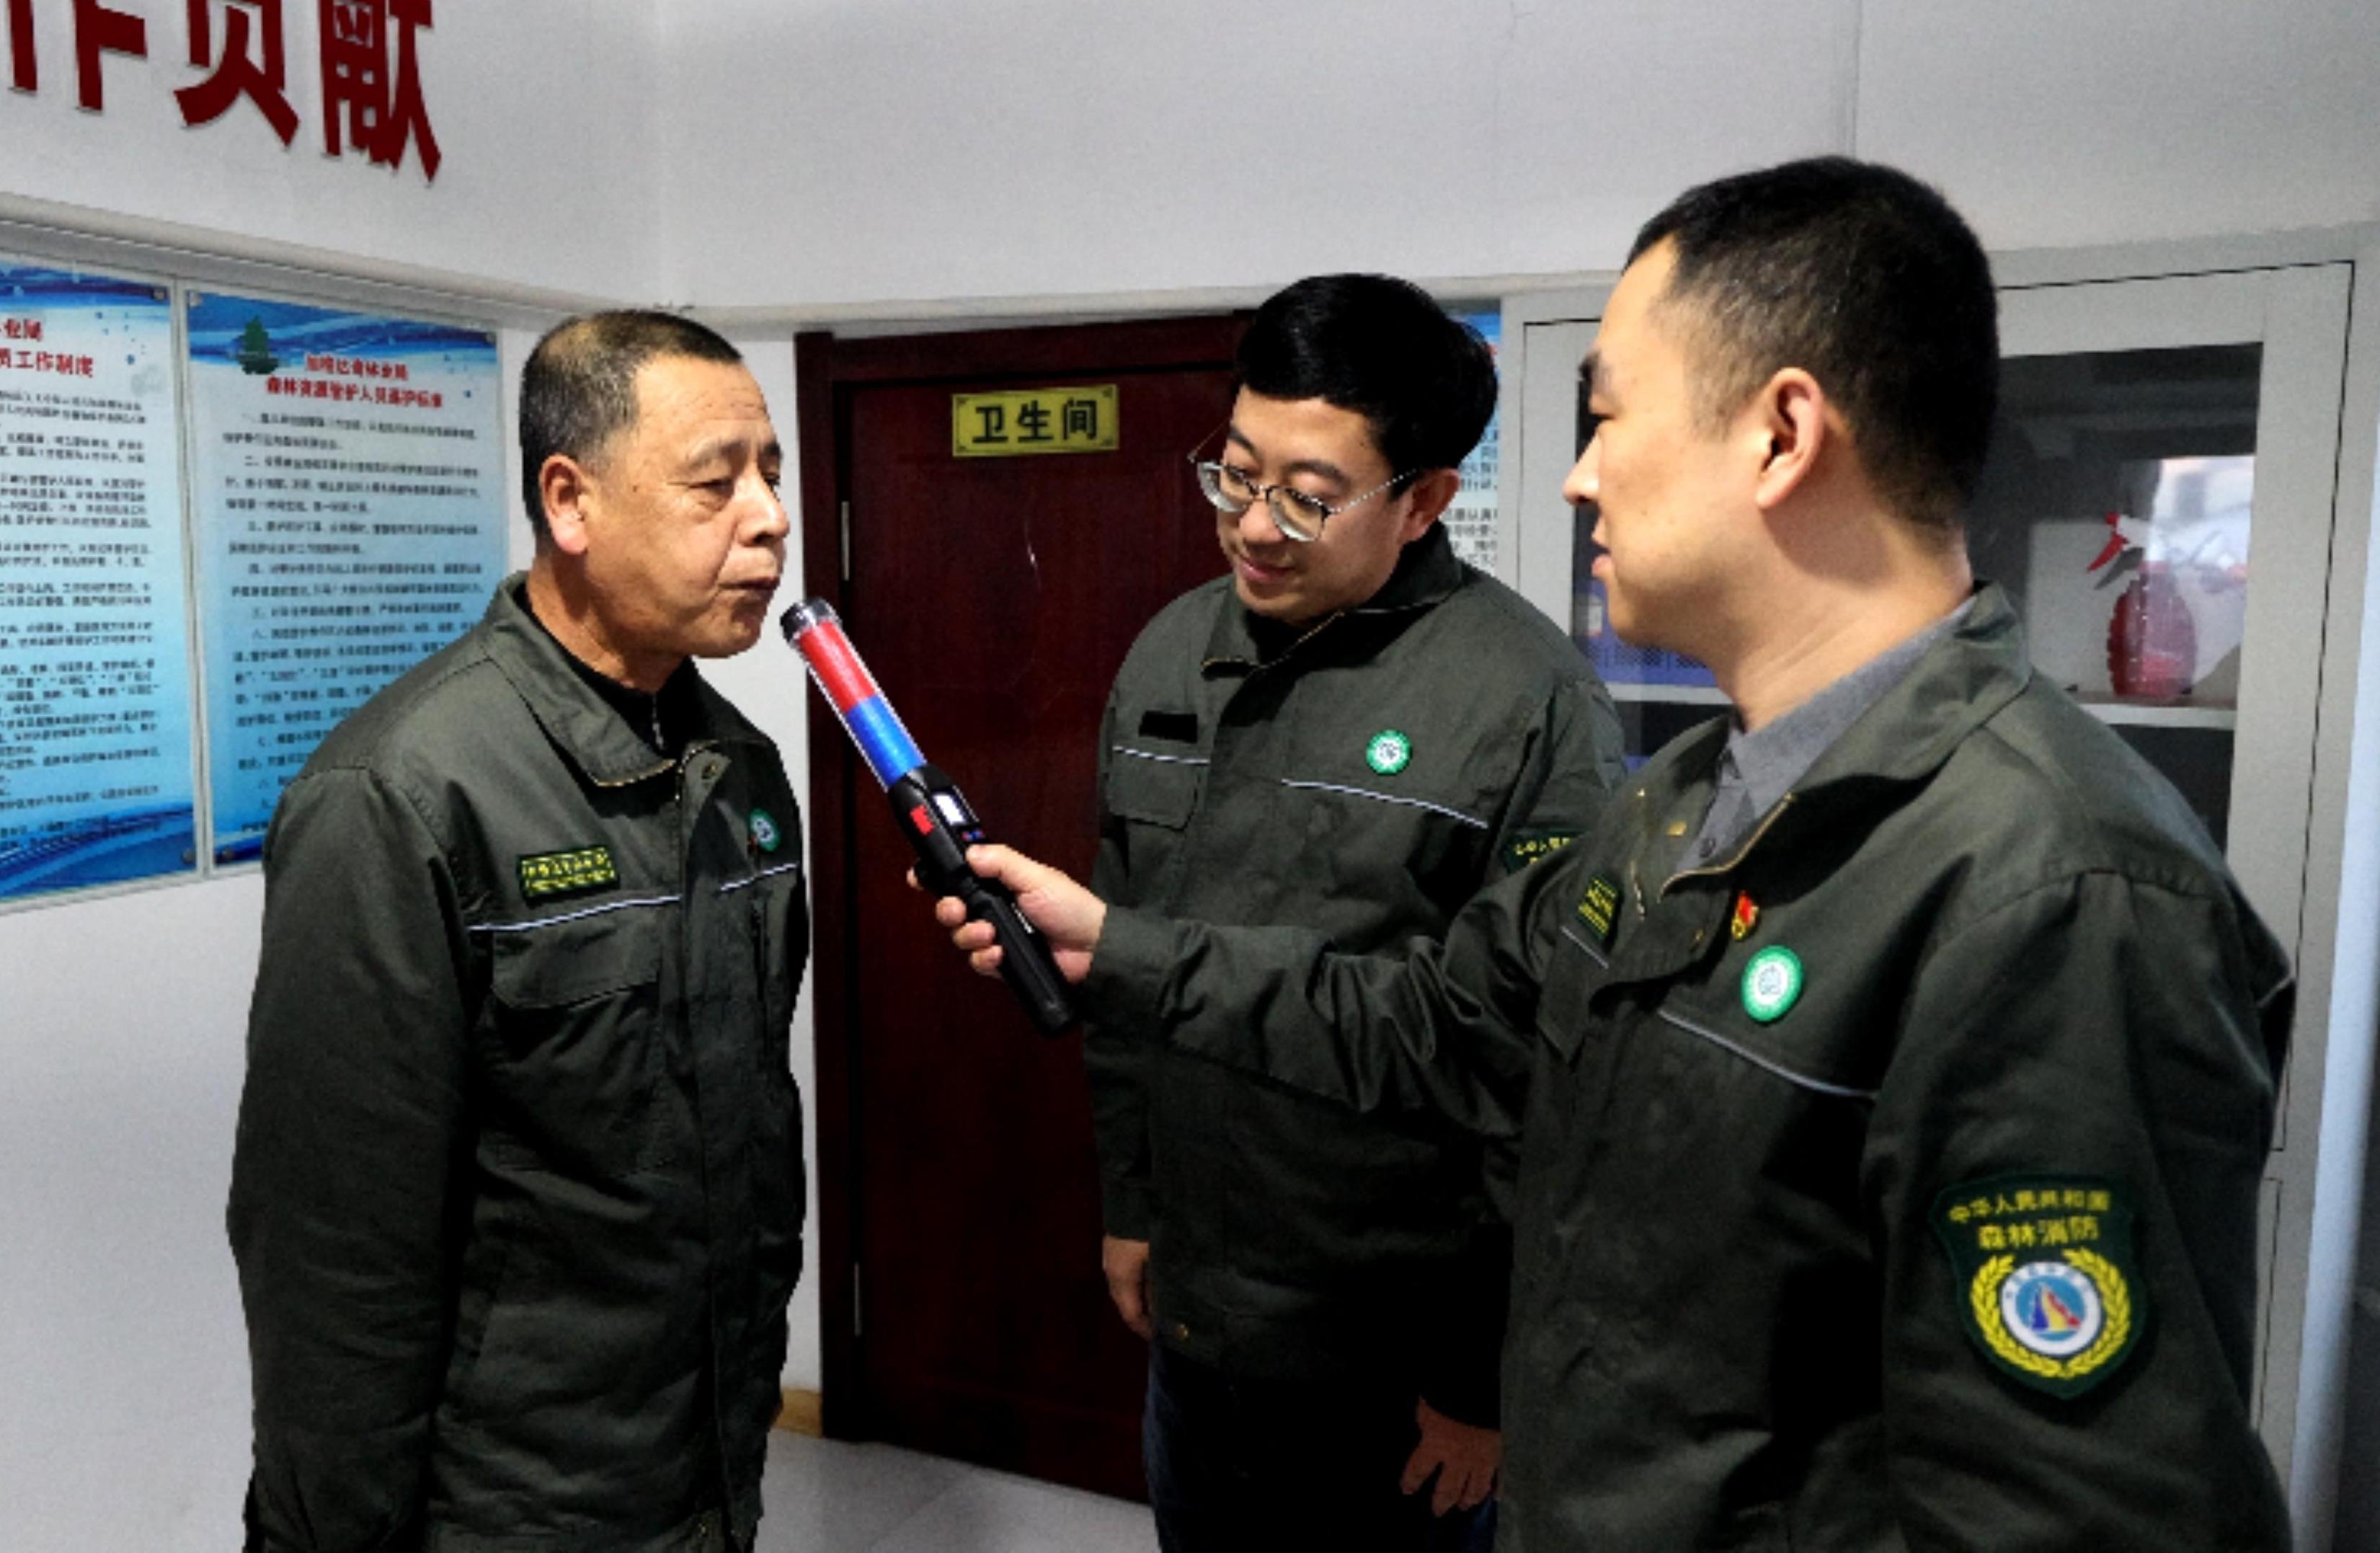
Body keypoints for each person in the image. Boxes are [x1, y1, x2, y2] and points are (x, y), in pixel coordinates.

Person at [935, 159, 2295, 1549]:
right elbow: (1441, 1024)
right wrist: (1120, 948)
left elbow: (2075, 1507)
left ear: (1780, 435)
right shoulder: (1689, 803)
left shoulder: (2059, 888)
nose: (1579, 476)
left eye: (1609, 416)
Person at [228, 311, 808, 1552]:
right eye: (715, 482)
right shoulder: (401, 796)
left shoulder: (739, 771)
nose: (768, 519)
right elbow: (334, 1255)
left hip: (703, 1465)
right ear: (570, 500)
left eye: (771, 474)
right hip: (505, 1505)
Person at [1087, 273, 1624, 1552]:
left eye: (1308, 496)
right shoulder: (1172, 652)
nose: (1253, 526)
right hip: (1197, 1316)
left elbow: (1539, 1073)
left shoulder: (1528, 700)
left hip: (1394, 1364)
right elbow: (1122, 960)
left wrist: (1478, 1379)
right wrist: (1130, 1200)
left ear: (1424, 499)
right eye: (1234, 474)